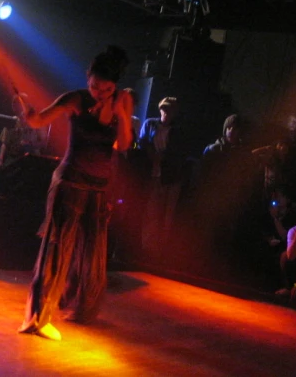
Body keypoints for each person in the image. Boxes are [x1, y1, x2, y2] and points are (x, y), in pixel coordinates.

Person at [17, 46, 134, 341]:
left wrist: (120, 113)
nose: (99, 92)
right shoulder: (75, 99)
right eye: (95, 85)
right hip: (69, 183)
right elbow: (38, 121)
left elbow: (123, 145)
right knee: (56, 250)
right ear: (87, 78)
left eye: (106, 88)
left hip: (98, 188)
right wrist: (27, 110)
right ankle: (38, 318)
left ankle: (81, 311)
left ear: (116, 85)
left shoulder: (122, 100)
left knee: (92, 256)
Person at [138, 96, 185, 259]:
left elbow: (179, 153)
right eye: (164, 109)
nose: (166, 112)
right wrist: (152, 155)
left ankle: (162, 250)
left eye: (169, 109)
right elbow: (142, 143)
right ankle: (148, 248)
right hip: (153, 174)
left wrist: (165, 157)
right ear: (160, 109)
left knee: (167, 215)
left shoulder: (178, 130)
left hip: (171, 176)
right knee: (151, 212)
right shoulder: (150, 123)